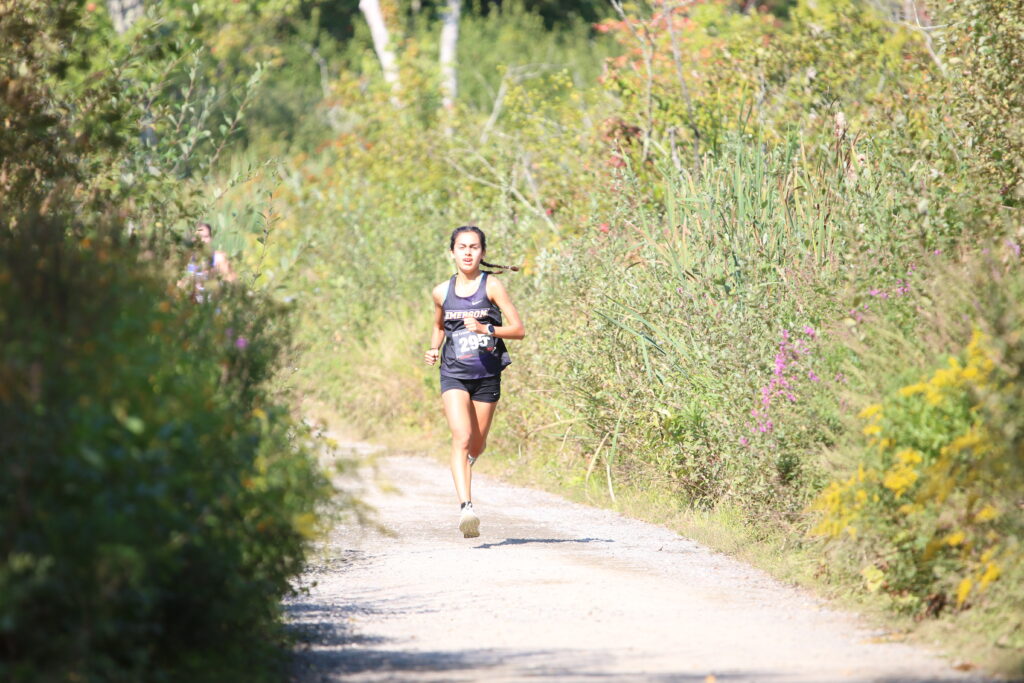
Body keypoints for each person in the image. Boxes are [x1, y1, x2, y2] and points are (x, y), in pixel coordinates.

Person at [425, 226, 525, 538]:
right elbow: (439, 326)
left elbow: (519, 329)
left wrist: (487, 331)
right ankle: (466, 507)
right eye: (462, 247)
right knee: (462, 436)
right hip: (453, 373)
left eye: (474, 247)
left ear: (482, 252)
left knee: (477, 445)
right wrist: (433, 348)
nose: (468, 252)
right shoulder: (441, 291)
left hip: (487, 375)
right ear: (452, 252)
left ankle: (466, 464)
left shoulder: (492, 286)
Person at [179, 221, 237, 302]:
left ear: (211, 238)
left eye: (206, 237)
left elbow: (233, 284)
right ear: (192, 238)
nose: (202, 240)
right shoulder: (186, 259)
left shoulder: (219, 259)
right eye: (199, 237)